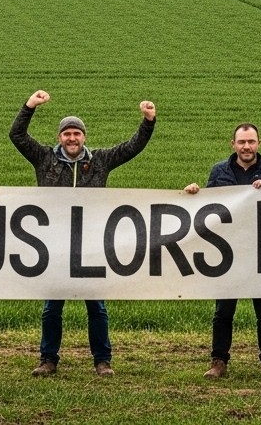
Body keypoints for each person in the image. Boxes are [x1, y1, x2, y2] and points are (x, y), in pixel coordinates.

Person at [10, 89, 156, 377]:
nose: (72, 138)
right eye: (67, 134)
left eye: (76, 133)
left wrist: (148, 121)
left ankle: (102, 361)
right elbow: (17, 135)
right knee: (52, 308)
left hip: (91, 246)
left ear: (84, 137)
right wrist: (29, 106)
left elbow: (132, 147)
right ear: (59, 137)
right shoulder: (44, 159)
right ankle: (48, 360)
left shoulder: (100, 160)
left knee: (96, 307)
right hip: (54, 245)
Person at [185, 123, 261, 379]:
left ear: (259, 144)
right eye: (242, 142)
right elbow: (207, 206)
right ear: (233, 145)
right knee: (223, 311)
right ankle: (219, 361)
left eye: (251, 142)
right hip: (227, 252)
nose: (246, 146)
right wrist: (193, 194)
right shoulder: (219, 171)